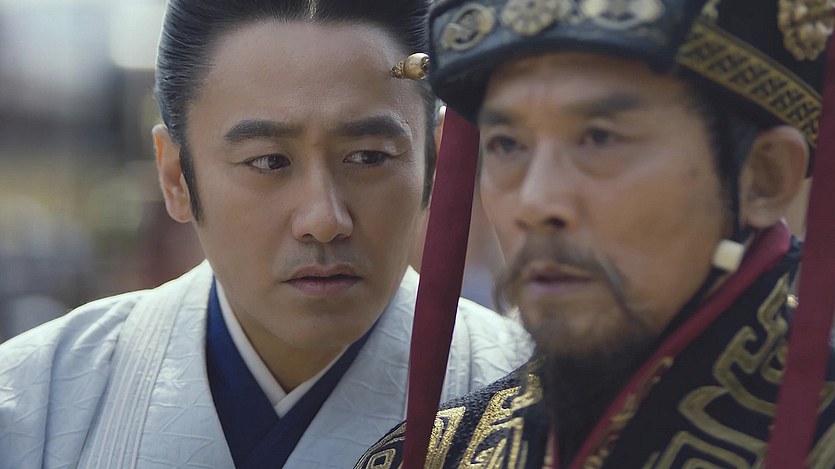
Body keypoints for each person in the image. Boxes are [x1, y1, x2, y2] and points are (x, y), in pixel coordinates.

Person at [0, 1, 533, 468]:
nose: (324, 219)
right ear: (176, 177)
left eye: (368, 157)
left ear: (436, 162)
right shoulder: (32, 405)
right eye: (269, 161)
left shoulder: (536, 402)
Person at [356, 0, 835, 467]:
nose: (535, 203)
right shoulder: (441, 452)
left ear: (763, 177)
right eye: (507, 144)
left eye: (600, 138)